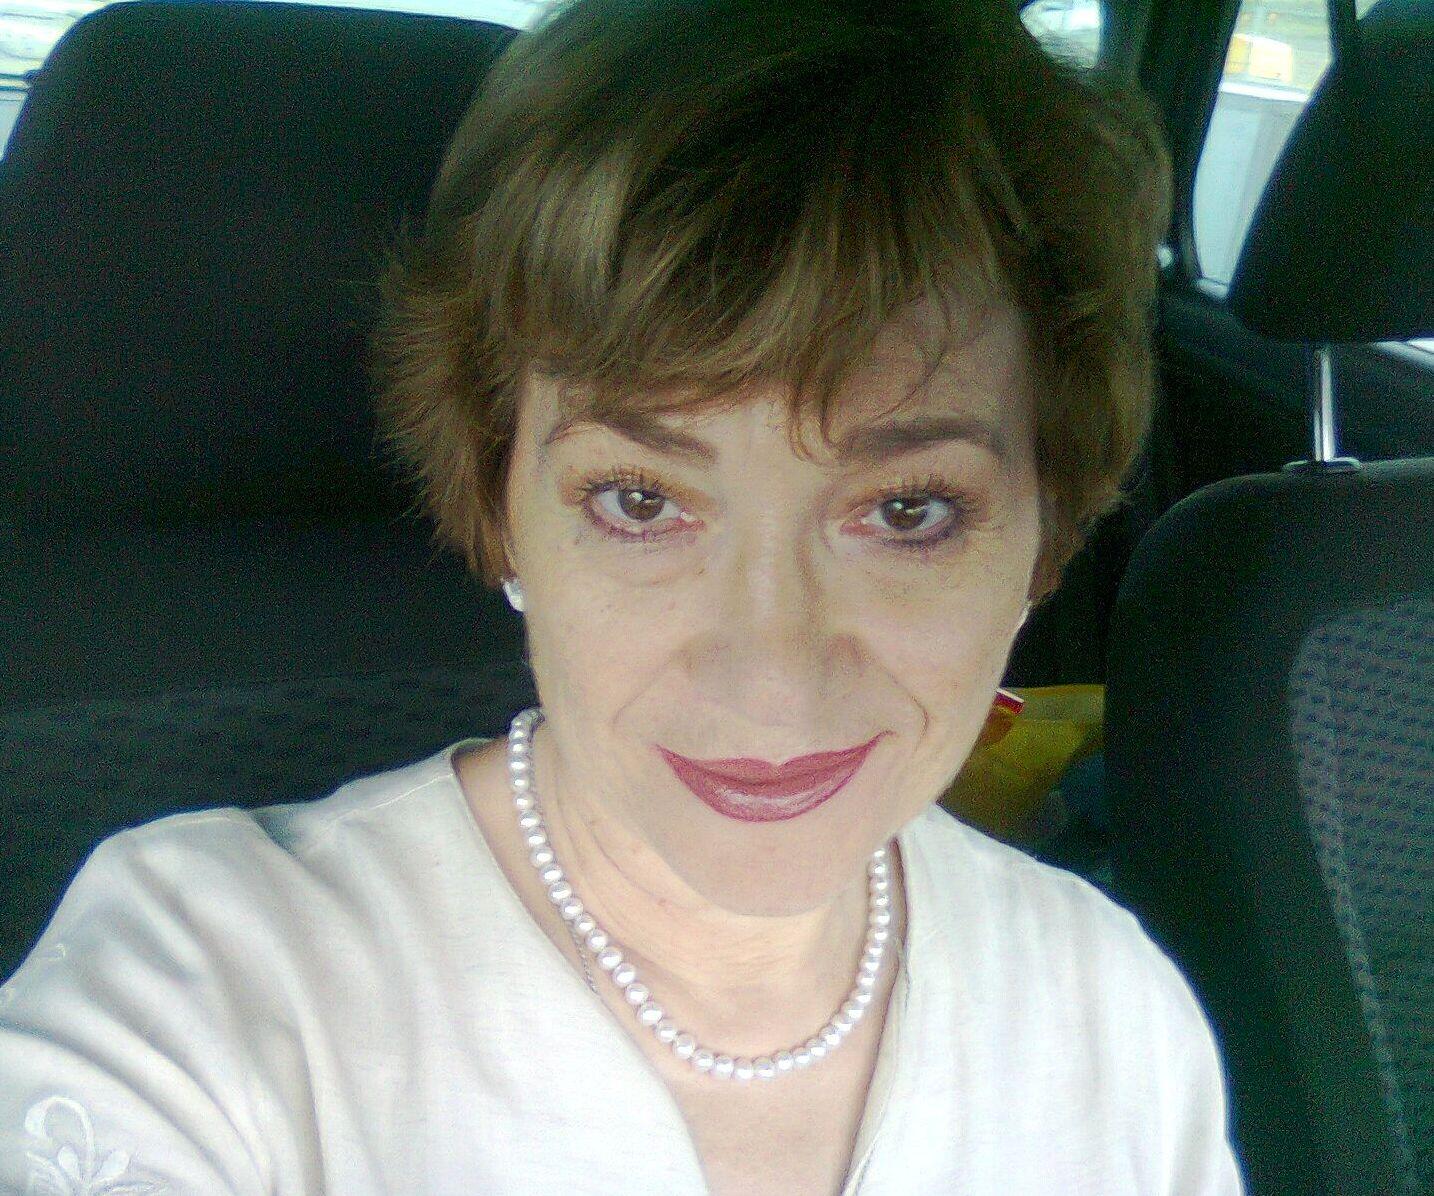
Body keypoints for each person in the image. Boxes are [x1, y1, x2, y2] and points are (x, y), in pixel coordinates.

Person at [0, 0, 1247, 1192]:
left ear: (1042, 539)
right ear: (503, 511)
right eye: (641, 501)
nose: (771, 677)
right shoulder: (204, 985)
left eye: (908, 510)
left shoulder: (1112, 1013)